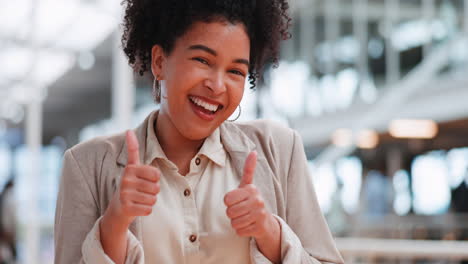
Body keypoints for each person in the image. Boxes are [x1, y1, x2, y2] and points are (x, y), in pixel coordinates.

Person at [54, 0, 344, 263]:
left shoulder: (279, 149)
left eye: (236, 72)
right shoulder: (86, 165)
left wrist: (270, 233)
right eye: (203, 61)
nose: (217, 86)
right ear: (159, 62)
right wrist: (115, 223)